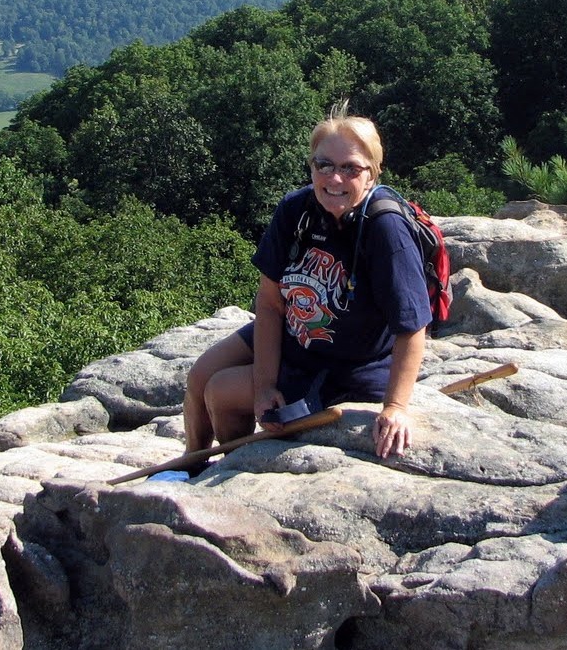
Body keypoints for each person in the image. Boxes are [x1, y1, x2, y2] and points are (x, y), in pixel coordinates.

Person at [183, 107, 430, 460]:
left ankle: (234, 464)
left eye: (350, 168)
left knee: (221, 391)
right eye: (323, 165)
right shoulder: (296, 210)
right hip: (296, 332)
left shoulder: (385, 228)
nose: (335, 178)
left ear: (372, 175)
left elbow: (412, 325)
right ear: (311, 166)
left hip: (343, 364)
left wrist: (395, 407)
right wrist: (264, 386)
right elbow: (270, 302)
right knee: (199, 376)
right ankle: (191, 464)